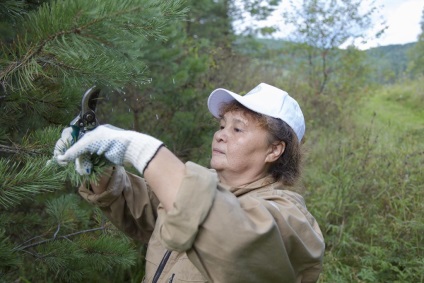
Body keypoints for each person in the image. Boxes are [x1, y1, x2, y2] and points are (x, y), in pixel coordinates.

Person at [53, 82, 325, 283]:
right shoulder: (201, 191)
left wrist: (141, 149)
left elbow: (233, 237)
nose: (220, 136)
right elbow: (138, 205)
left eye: (237, 129)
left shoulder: (291, 219)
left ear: (274, 150)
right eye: (221, 126)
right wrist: (97, 164)